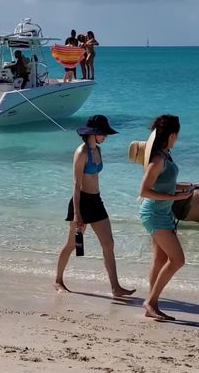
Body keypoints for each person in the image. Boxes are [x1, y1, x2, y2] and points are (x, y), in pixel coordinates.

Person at [138, 114, 199, 321]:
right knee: (178, 260)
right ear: (172, 135)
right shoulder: (159, 159)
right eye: (177, 135)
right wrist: (175, 197)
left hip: (162, 213)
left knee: (160, 259)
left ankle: (152, 302)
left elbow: (167, 184)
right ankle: (150, 302)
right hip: (154, 213)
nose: (177, 138)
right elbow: (144, 190)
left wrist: (194, 186)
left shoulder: (165, 155)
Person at [55, 115, 136, 298]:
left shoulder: (97, 149)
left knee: (109, 244)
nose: (105, 137)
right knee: (71, 245)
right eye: (103, 133)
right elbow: (76, 184)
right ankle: (58, 280)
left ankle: (115, 287)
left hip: (96, 201)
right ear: (94, 133)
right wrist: (77, 214)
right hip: (81, 202)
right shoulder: (81, 152)